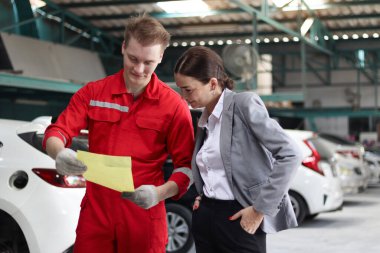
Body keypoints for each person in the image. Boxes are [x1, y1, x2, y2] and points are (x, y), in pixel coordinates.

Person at [43, 16, 194, 253]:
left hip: (144, 214)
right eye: (133, 58)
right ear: (123, 47)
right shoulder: (93, 93)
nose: (139, 69)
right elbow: (58, 131)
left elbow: (186, 167)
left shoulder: (174, 106)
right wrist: (58, 153)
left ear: (161, 58)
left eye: (148, 62)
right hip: (97, 215)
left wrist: (158, 194)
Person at [174, 46, 303, 253]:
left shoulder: (243, 104)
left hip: (239, 215)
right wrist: (204, 196)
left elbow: (290, 154)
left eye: (188, 89)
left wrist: (259, 209)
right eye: (180, 89)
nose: (183, 96)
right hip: (206, 215)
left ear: (213, 84)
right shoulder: (204, 120)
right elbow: (216, 167)